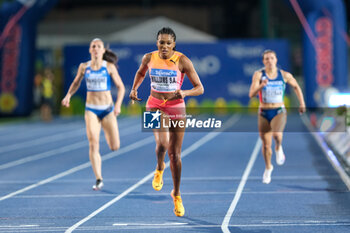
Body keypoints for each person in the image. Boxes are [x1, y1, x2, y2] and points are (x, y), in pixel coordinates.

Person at [129, 27, 204, 217]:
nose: (164, 46)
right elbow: (140, 73)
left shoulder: (182, 60)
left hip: (176, 106)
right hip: (153, 105)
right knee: (162, 144)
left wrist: (185, 92)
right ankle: (159, 167)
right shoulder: (149, 58)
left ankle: (176, 194)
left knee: (175, 154)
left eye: (168, 43)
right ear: (157, 43)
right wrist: (134, 89)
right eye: (161, 42)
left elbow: (200, 88)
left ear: (174, 45)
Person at [62, 38, 125, 190]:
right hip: (91, 109)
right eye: (93, 46)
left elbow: (121, 87)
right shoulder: (84, 67)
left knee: (115, 146)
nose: (96, 48)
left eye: (98, 46)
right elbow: (76, 82)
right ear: (90, 50)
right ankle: (98, 178)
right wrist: (68, 95)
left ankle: (107, 130)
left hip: (107, 110)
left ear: (103, 50)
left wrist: (117, 106)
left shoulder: (108, 67)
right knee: (93, 143)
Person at [249, 49, 305, 184]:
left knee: (277, 135)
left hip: (278, 110)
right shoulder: (258, 75)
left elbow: (296, 86)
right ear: (263, 61)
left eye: (272, 58)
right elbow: (251, 94)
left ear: (276, 60)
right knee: (266, 145)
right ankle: (268, 167)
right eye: (266, 59)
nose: (269, 61)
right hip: (263, 112)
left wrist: (302, 103)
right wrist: (261, 86)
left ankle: (279, 147)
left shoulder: (284, 75)